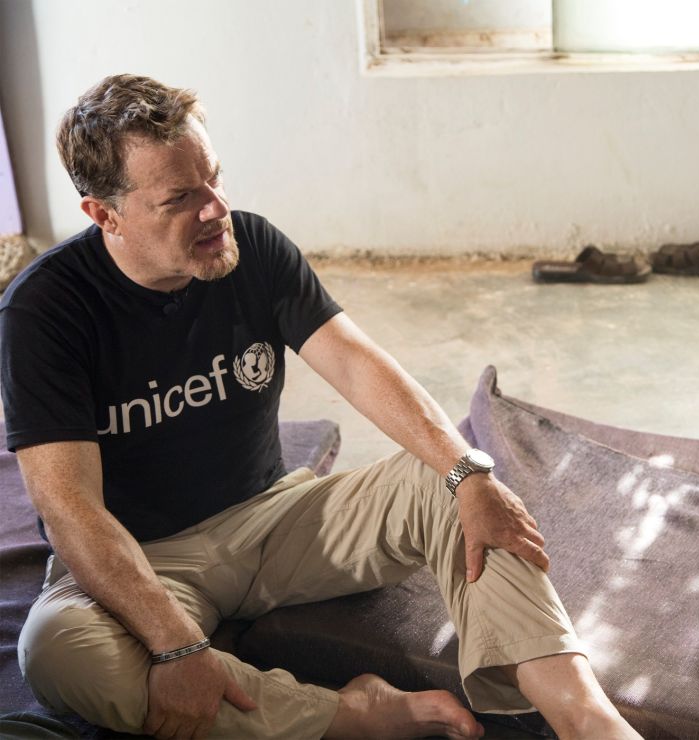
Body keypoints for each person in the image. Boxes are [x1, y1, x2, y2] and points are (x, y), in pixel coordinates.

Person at [0, 74, 640, 739]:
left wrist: (468, 472)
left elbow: (359, 366)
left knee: (461, 484)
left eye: (215, 180)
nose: (215, 209)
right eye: (181, 198)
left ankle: (587, 720)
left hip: (276, 519)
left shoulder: (253, 246)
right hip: (143, 558)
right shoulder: (45, 311)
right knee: (55, 648)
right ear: (105, 215)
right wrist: (176, 644)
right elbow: (70, 510)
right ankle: (351, 715)